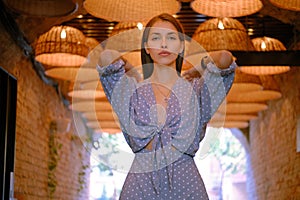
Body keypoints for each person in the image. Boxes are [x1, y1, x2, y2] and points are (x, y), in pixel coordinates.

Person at [97, 13, 237, 200]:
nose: (163, 44)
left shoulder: (196, 91)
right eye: (156, 37)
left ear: (181, 47)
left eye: (171, 38)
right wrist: (137, 76)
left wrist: (196, 69)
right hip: (140, 184)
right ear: (147, 47)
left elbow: (224, 58)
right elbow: (107, 57)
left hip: (186, 183)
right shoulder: (132, 91)